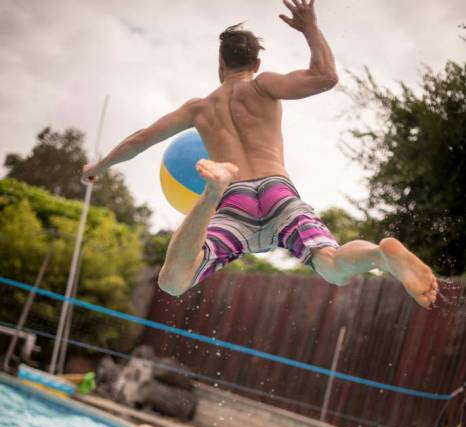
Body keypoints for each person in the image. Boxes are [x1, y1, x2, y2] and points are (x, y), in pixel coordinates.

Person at [82, 0, 438, 309]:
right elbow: (326, 76)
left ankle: (211, 193)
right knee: (332, 267)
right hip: (277, 190)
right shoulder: (263, 84)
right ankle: (379, 255)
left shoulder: (200, 109)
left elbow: (141, 138)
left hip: (233, 199)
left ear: (220, 64)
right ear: (257, 61)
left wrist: (100, 165)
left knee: (174, 282)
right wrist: (310, 28)